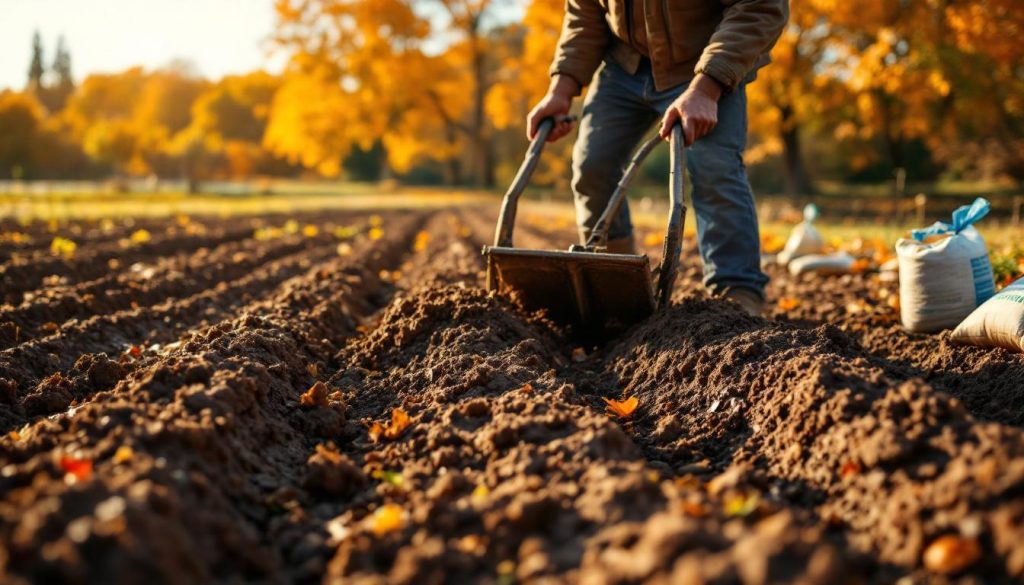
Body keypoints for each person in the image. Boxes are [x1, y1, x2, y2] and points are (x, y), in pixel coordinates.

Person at [528, 0, 788, 316]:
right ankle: (615, 284)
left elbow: (759, 7)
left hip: (705, 64)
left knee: (714, 167)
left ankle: (736, 292)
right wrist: (561, 89)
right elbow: (586, 12)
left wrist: (707, 88)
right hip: (625, 67)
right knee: (592, 165)